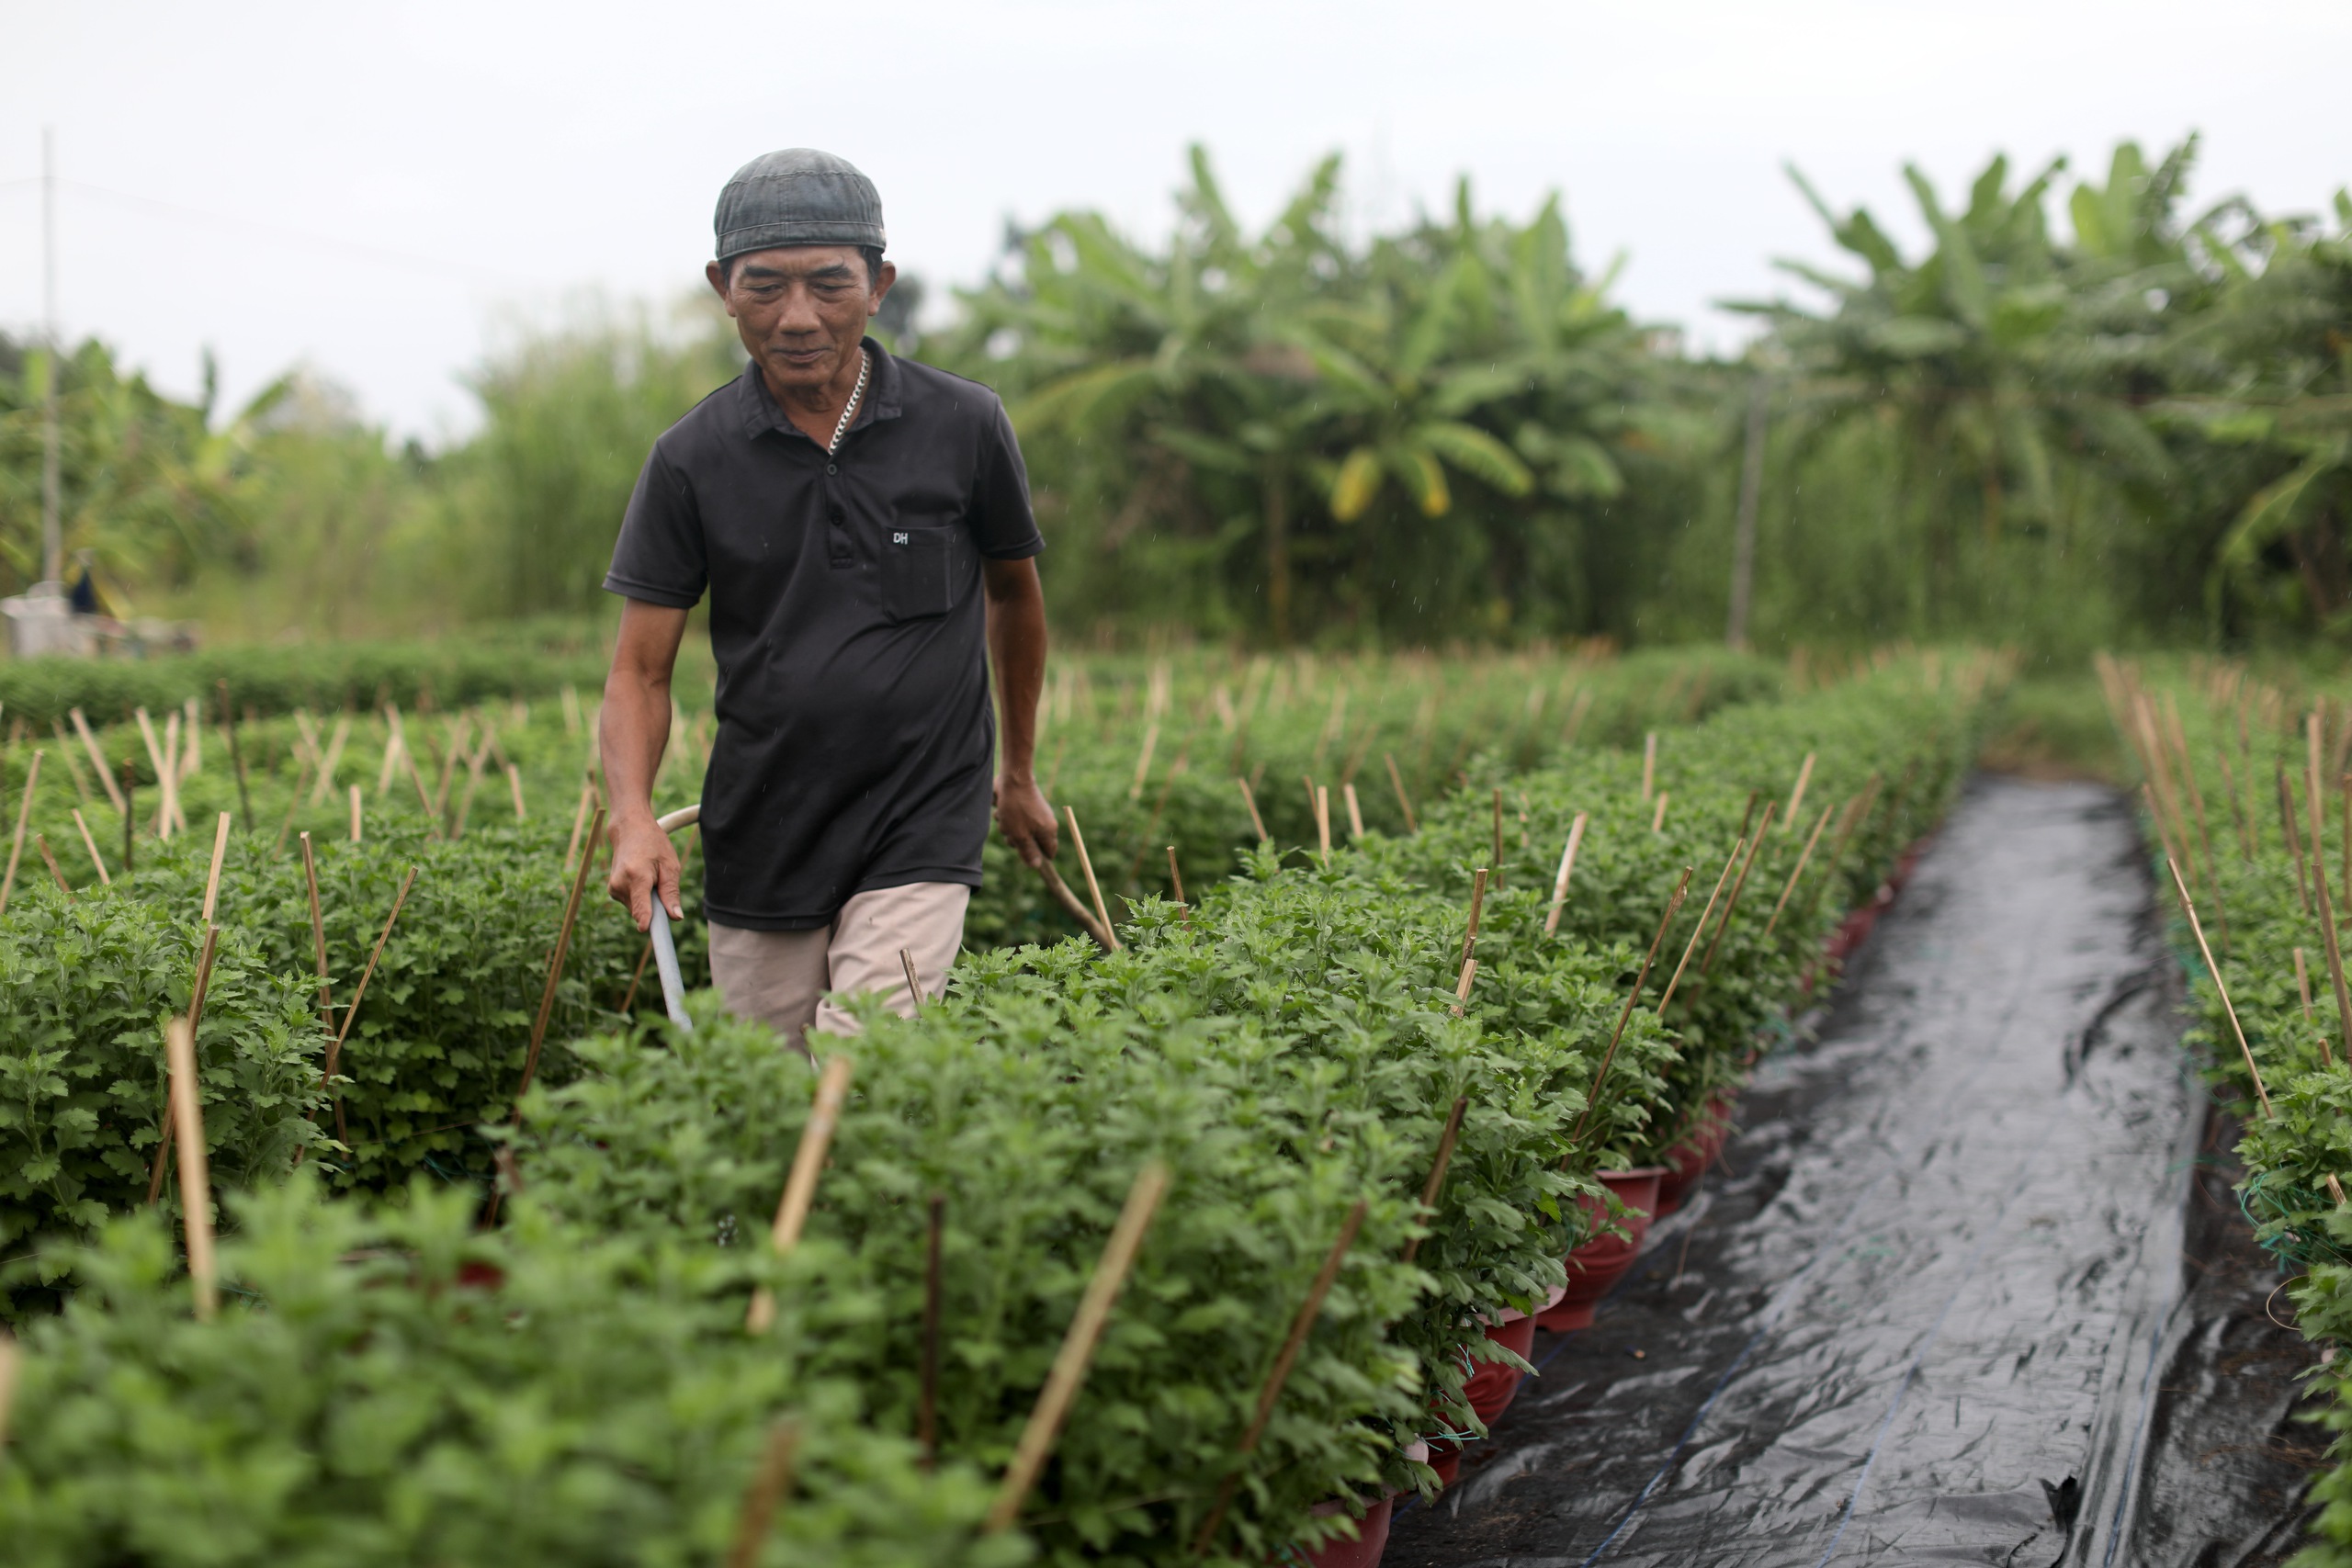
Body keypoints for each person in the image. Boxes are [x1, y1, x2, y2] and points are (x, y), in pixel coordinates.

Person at [600, 148, 1056, 1043]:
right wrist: (631, 820)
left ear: (880, 283)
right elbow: (638, 673)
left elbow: (1015, 596)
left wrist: (1017, 773)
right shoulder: (691, 459)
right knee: (771, 1095)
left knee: (863, 1062)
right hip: (764, 829)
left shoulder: (963, 426)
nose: (798, 316)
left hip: (921, 814)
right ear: (722, 289)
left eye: (829, 285)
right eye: (764, 287)